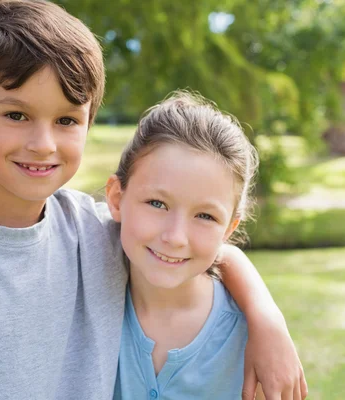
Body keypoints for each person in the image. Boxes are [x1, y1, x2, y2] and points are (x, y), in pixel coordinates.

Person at [0, 1, 306, 399]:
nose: (43, 143)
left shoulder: (94, 231)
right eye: (16, 114)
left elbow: (198, 242)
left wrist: (268, 322)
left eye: (67, 120)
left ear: (89, 122)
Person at [106, 91, 264, 398]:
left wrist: (267, 322)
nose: (175, 237)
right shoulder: (83, 291)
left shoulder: (250, 340)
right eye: (157, 203)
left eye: (204, 215)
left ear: (229, 228)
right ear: (116, 199)